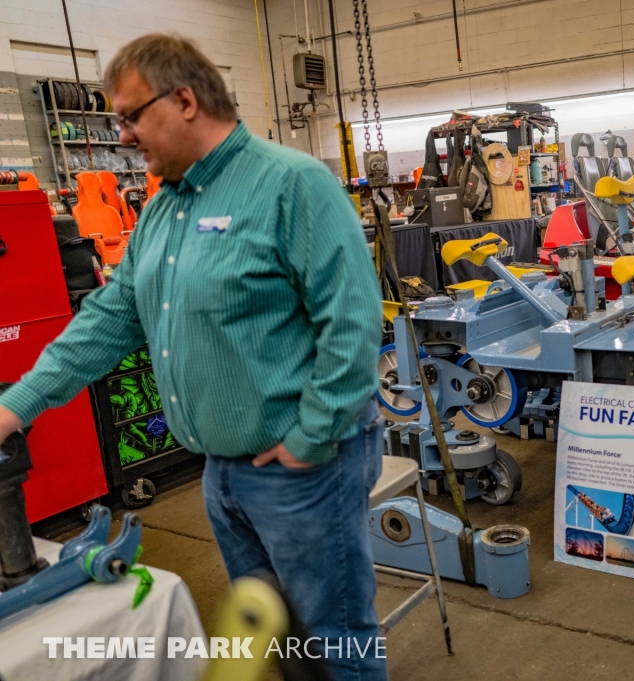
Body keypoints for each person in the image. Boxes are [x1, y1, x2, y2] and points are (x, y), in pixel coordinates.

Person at [0, 34, 386, 679]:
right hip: (223, 472)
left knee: (336, 641)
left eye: (129, 115)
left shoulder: (290, 184)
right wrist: (18, 404)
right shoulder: (163, 208)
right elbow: (112, 316)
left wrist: (311, 436)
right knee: (277, 634)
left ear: (183, 100)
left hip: (302, 471)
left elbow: (351, 325)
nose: (121, 135)